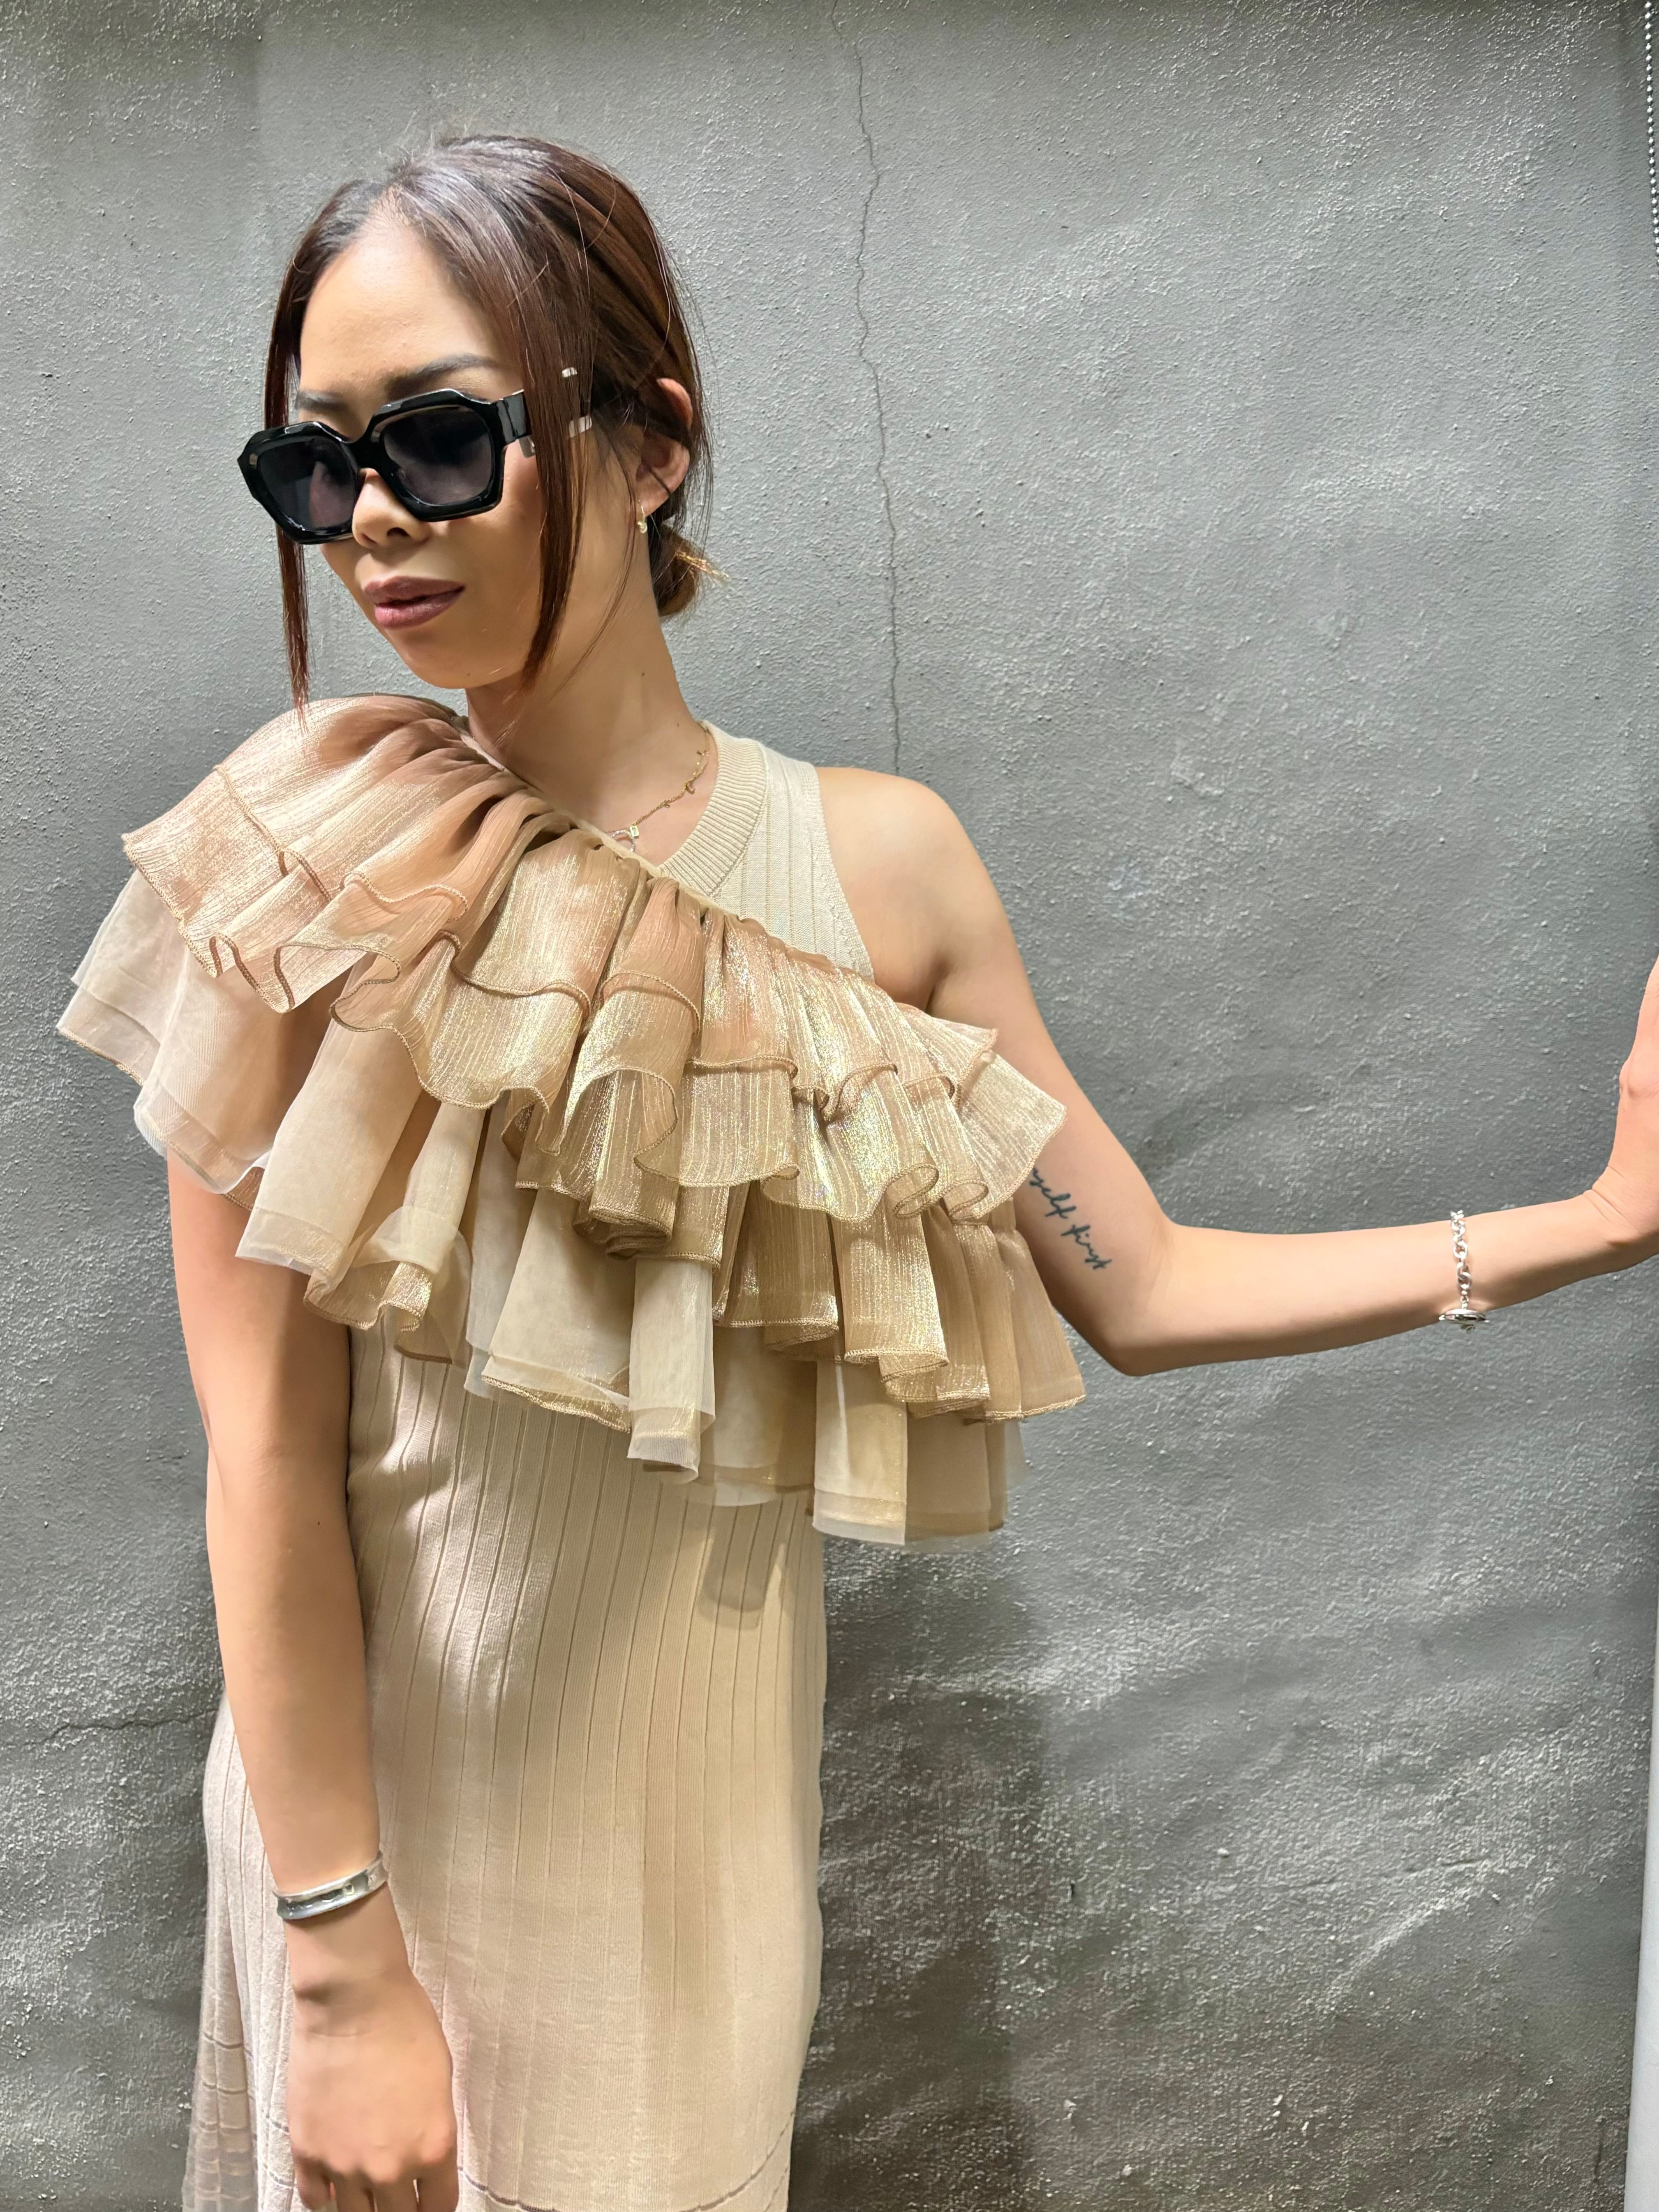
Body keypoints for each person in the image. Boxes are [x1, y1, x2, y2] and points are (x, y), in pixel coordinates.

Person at [56, 132, 1659, 2212]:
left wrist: (1598, 1221)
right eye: (315, 463)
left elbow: (1140, 1283)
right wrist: (340, 1951)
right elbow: (263, 1457)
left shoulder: (881, 871)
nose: (370, 519)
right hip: (378, 1868)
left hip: (706, 1870)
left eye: (439, 442)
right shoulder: (301, 851)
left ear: (649, 444)